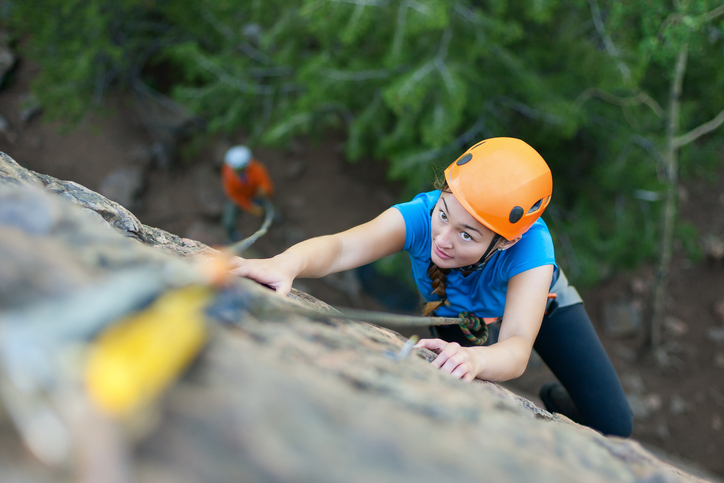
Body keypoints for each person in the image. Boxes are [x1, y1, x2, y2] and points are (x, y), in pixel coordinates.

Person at [229, 137, 633, 437]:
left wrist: (478, 361)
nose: (443, 239)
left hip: (541, 309)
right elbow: (340, 248)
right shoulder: (422, 217)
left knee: (613, 424)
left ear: (506, 240)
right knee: (453, 395)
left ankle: (558, 398)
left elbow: (516, 348)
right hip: (454, 311)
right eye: (444, 213)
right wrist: (285, 264)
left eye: (467, 235)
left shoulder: (531, 249)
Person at [221, 145, 275, 241]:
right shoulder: (229, 176)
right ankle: (232, 236)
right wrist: (250, 208)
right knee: (228, 222)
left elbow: (266, 185)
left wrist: (264, 190)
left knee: (272, 211)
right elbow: (235, 196)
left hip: (255, 193)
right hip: (239, 197)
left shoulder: (256, 169)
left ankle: (275, 223)